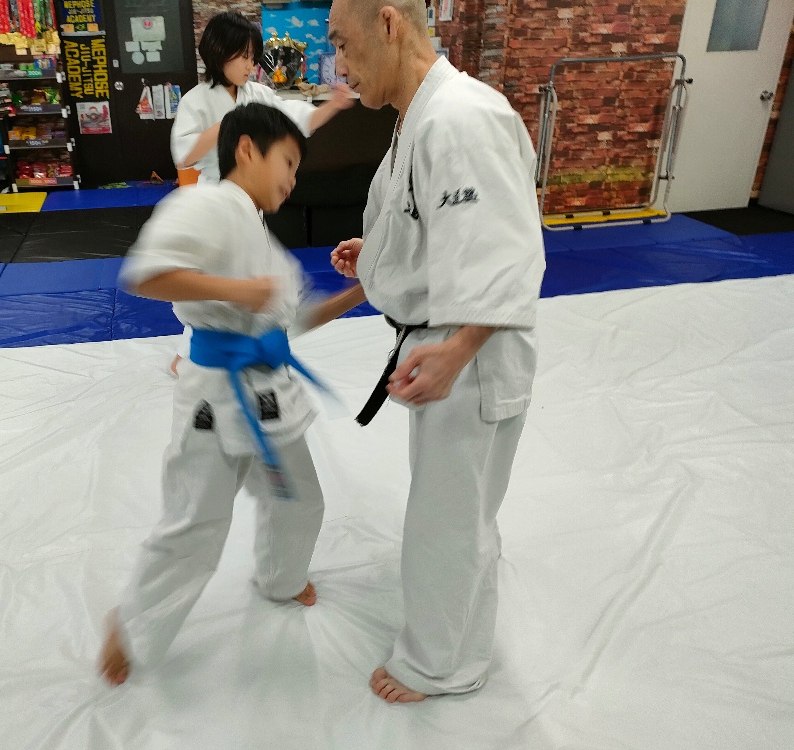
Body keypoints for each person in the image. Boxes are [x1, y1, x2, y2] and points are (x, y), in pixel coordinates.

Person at [99, 103, 365, 686]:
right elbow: (146, 273)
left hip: (269, 393)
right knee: (196, 523)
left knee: (299, 500)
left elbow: (292, 322)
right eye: (287, 162)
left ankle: (280, 579)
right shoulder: (207, 204)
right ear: (247, 150)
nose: (292, 179)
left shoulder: (260, 236)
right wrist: (238, 292)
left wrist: (361, 291)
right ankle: (132, 623)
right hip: (215, 398)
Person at [326, 0, 546, 703]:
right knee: (457, 511)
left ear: (388, 24)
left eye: (343, 44)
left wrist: (457, 349)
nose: (339, 65)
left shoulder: (460, 118)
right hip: (446, 339)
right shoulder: (421, 117)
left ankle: (441, 665)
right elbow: (436, 220)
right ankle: (458, 645)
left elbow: (509, 250)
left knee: (448, 521)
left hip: (472, 349)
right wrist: (380, 254)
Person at [167, 10, 355, 377]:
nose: (250, 66)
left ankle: (253, 335)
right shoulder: (196, 100)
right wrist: (228, 125)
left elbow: (296, 121)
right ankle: (191, 349)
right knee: (221, 274)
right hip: (216, 198)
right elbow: (183, 154)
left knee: (252, 272)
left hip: (251, 199)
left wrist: (332, 105)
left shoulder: (257, 95)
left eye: (253, 57)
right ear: (218, 54)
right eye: (243, 56)